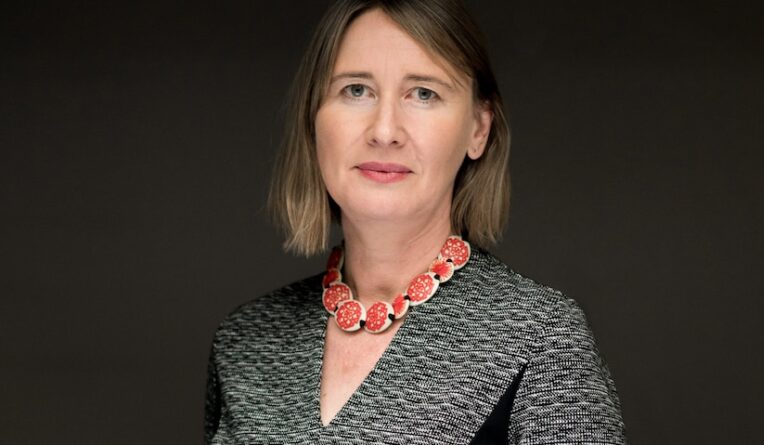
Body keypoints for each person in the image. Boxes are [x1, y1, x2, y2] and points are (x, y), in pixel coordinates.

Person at [204, 0, 626, 443]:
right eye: (355, 90)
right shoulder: (244, 342)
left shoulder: (540, 339)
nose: (384, 130)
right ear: (313, 118)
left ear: (478, 129)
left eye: (424, 93)